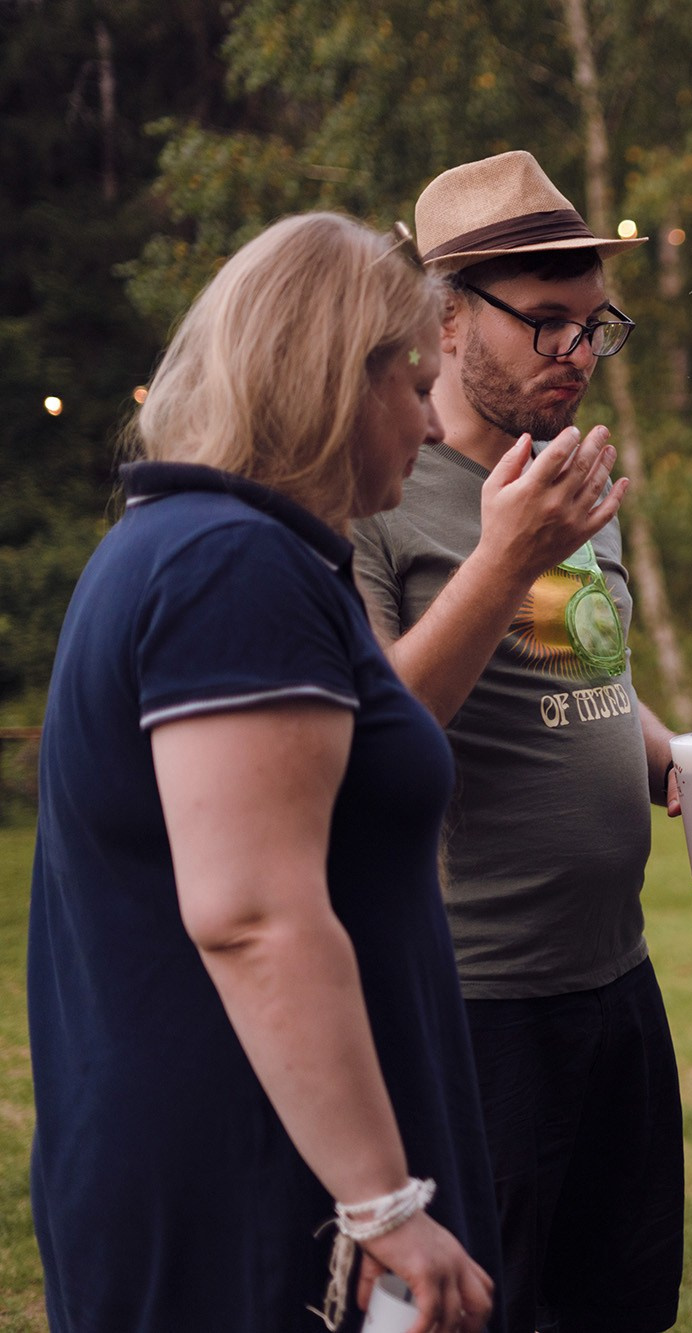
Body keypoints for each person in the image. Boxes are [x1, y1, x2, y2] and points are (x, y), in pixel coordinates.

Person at [30, 212, 499, 1332]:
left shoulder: (213, 545)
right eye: (415, 383)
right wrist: (380, 1203)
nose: (433, 425)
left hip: (266, 1150)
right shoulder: (229, 564)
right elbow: (250, 913)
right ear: (342, 377)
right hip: (252, 1179)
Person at [350, 150, 692, 1333]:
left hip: (615, 984)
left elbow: (586, 674)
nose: (577, 356)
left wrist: (680, 771)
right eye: (544, 324)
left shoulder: (565, 481)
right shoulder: (376, 495)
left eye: (595, 327)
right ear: (443, 319)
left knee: (623, 1304)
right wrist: (505, 556)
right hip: (476, 1003)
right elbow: (378, 742)